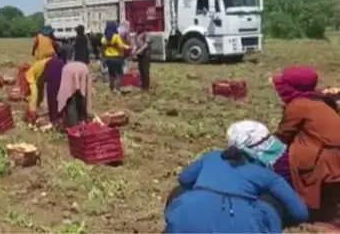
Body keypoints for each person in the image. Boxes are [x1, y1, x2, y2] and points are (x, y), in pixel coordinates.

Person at [164, 120, 309, 234]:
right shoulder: (266, 175)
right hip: (240, 227)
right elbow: (300, 213)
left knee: (180, 192)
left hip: (186, 225)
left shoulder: (212, 157)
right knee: (271, 201)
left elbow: (184, 179)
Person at [272, 66, 340, 225]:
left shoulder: (298, 105)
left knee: (279, 164)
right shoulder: (321, 100)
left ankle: (296, 209)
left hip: (322, 159)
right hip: (333, 154)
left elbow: (283, 135)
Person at [56, 61, 91, 128]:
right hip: (84, 69)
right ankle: (83, 121)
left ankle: (74, 126)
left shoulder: (65, 69)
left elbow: (65, 92)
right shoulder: (82, 66)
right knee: (82, 97)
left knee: (70, 102)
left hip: (70, 72)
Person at [42, 45, 72, 124]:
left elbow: (45, 77)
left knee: (52, 102)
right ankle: (60, 119)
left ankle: (53, 120)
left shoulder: (49, 62)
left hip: (50, 86)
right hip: (60, 86)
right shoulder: (64, 65)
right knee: (61, 102)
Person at [101, 21, 129, 93]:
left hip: (108, 58)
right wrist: (128, 47)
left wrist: (103, 57)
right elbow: (121, 45)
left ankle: (112, 89)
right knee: (119, 74)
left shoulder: (104, 37)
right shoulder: (116, 36)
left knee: (111, 74)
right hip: (116, 57)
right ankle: (117, 89)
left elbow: (103, 47)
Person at [23, 56, 52, 123]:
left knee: (35, 96)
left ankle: (33, 113)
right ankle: (34, 113)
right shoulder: (32, 77)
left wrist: (32, 109)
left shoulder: (30, 76)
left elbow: (34, 95)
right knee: (36, 95)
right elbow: (35, 94)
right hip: (43, 69)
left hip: (45, 67)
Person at [132, 21, 151, 91]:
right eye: (137, 26)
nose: (138, 28)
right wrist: (133, 50)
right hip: (139, 55)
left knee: (145, 71)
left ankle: (146, 87)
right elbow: (135, 44)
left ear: (143, 27)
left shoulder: (146, 34)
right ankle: (142, 85)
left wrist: (138, 51)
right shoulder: (136, 34)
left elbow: (146, 45)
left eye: (140, 26)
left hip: (145, 54)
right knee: (141, 70)